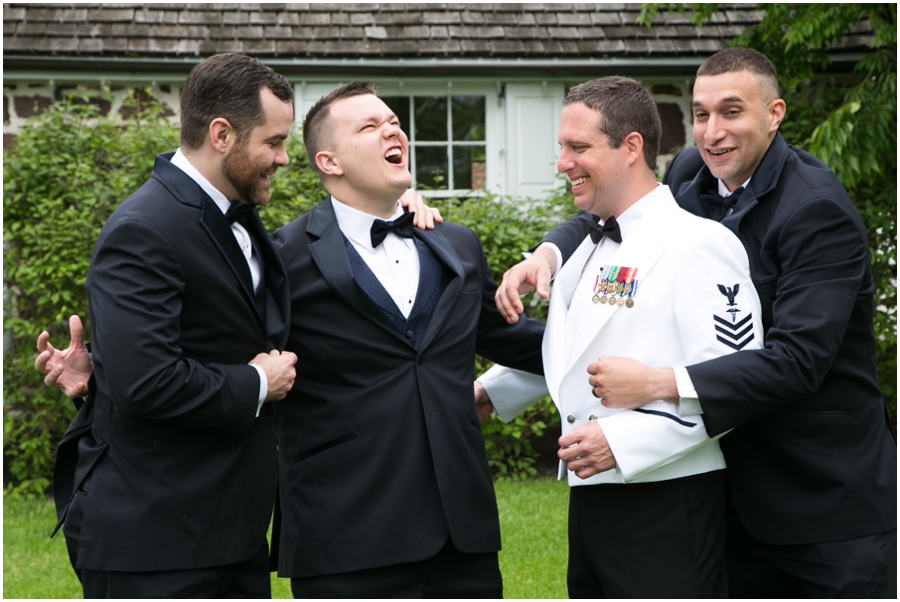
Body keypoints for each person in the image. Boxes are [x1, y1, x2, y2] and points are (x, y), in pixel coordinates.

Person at [496, 48, 897, 598]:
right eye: (701, 113)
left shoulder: (816, 210)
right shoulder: (693, 171)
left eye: (732, 112)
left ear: (774, 113)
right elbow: (625, 211)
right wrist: (551, 251)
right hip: (720, 486)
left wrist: (660, 382)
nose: (712, 132)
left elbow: (798, 362)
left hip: (820, 495)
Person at [476, 76, 762, 598]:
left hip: (670, 502)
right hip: (593, 497)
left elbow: (738, 384)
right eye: (562, 148)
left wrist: (622, 441)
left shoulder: (700, 245)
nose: (562, 163)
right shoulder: (587, 244)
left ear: (631, 147)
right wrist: (494, 391)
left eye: (578, 147)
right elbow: (583, 347)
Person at [269, 82, 544, 598]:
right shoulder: (282, 258)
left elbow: (520, 342)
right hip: (343, 534)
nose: (392, 129)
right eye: (369, 126)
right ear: (329, 161)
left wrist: (631, 345)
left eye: (393, 121)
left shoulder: (456, 244)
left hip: (461, 536)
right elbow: (226, 351)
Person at [40, 53, 299, 598]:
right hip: (157, 542)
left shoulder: (237, 214)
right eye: (273, 143)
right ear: (222, 134)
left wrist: (400, 203)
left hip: (232, 531)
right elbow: (146, 382)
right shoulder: (143, 229)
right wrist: (257, 384)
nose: (283, 158)